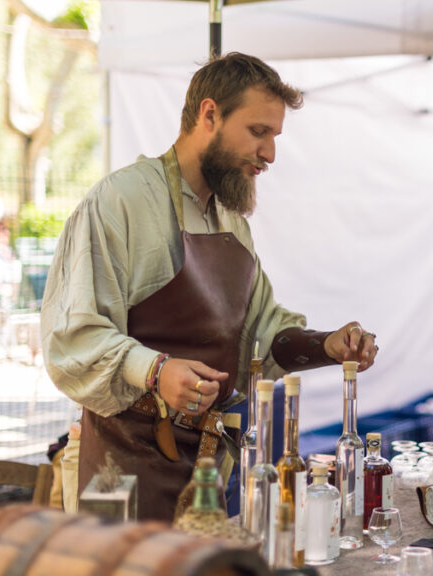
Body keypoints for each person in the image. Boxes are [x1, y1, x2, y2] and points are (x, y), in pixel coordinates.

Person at [40, 53, 380, 521]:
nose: (270, 154)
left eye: (275, 137)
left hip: (207, 467)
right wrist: (157, 370)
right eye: (258, 132)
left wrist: (327, 344)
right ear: (209, 114)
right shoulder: (122, 200)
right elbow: (71, 337)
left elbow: (258, 335)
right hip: (125, 467)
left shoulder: (231, 221)